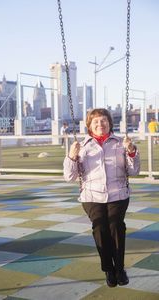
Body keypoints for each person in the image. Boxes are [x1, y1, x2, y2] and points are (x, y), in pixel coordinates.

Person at [63, 108, 140, 288]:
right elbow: (69, 176)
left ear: (109, 123)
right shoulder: (82, 146)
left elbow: (134, 171)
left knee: (116, 226)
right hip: (91, 195)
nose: (100, 124)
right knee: (100, 229)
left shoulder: (121, 143)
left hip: (118, 193)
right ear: (89, 125)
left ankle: (119, 269)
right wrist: (71, 156)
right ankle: (109, 270)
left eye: (103, 120)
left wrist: (131, 152)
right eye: (96, 122)